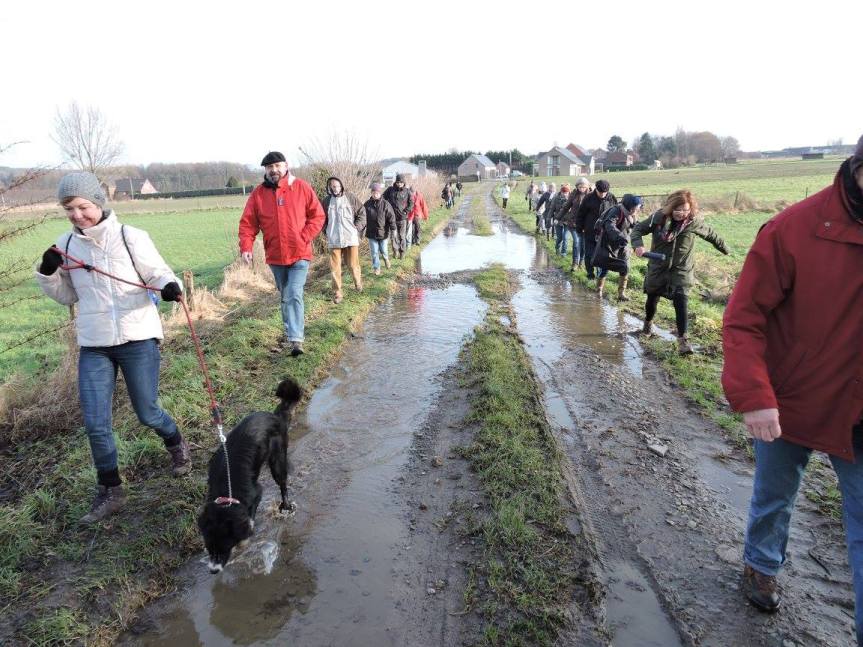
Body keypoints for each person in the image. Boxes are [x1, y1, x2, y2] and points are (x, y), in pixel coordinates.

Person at [722, 137, 863, 643]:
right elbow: (743, 319)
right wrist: (755, 396)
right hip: (790, 399)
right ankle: (761, 565)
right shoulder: (793, 228)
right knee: (775, 495)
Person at [35, 172, 188, 525]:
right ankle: (111, 490)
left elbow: (158, 272)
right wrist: (48, 273)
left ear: (98, 203)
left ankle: (175, 442)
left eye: (83, 207)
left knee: (148, 413)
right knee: (95, 422)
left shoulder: (130, 237)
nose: (76, 215)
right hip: (95, 344)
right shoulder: (65, 245)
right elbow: (67, 296)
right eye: (69, 209)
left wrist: (169, 286)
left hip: (138, 337)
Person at [239, 151, 325, 357]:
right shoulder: (258, 194)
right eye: (270, 167)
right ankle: (291, 330)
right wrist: (246, 247)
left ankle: (296, 340)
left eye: (277, 166)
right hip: (275, 256)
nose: (274, 170)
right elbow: (248, 224)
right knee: (285, 296)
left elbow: (318, 216)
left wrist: (304, 236)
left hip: (299, 252)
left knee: (294, 293)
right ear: (266, 170)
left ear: (286, 166)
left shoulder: (301, 187)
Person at [631, 189, 729, 354]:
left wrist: (725, 249)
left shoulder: (693, 223)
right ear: (670, 207)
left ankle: (683, 341)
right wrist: (638, 245)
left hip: (682, 270)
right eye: (678, 209)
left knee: (681, 300)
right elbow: (638, 230)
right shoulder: (658, 218)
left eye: (685, 210)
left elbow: (711, 234)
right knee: (652, 298)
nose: (681, 213)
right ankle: (647, 325)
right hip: (658, 267)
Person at [321, 177, 365, 304]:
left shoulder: (351, 197)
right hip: (334, 239)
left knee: (352, 265)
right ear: (330, 187)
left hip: (350, 237)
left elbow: (362, 213)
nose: (335, 188)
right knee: (335, 268)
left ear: (341, 186)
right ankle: (337, 292)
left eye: (337, 186)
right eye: (333, 186)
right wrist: (326, 230)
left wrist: (357, 228)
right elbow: (321, 217)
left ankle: (358, 283)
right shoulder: (326, 201)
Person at [591, 193, 642, 299]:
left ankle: (621, 294)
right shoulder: (616, 211)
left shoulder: (632, 213)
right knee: (604, 267)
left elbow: (634, 224)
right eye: (637, 206)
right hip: (609, 243)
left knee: (625, 267)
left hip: (623, 243)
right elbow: (609, 225)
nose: (638, 208)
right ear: (631, 206)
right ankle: (599, 290)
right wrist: (620, 237)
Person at [576, 179, 618, 283]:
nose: (602, 195)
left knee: (602, 255)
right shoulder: (588, 198)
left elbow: (616, 214)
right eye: (600, 192)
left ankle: (600, 276)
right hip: (590, 231)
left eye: (605, 193)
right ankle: (590, 274)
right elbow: (580, 214)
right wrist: (579, 228)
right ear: (596, 189)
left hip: (605, 233)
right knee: (589, 254)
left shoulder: (612, 198)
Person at [364, 182, 397, 276]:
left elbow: (391, 217)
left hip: (383, 233)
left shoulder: (386, 204)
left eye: (377, 193)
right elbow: (362, 217)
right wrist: (360, 229)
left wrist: (393, 229)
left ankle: (386, 259)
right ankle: (377, 268)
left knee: (384, 250)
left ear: (380, 193)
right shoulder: (367, 204)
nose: (375, 195)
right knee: (374, 252)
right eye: (373, 193)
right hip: (371, 233)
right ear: (371, 193)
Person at [557, 176, 590, 271]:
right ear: (577, 187)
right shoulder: (573, 194)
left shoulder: (591, 195)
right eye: (580, 187)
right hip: (574, 223)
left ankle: (581, 263)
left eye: (584, 187)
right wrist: (558, 217)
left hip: (585, 224)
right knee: (576, 242)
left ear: (587, 187)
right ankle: (575, 263)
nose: (582, 189)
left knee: (583, 245)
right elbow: (566, 207)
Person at [383, 174, 414, 259]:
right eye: (398, 182)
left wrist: (406, 211)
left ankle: (402, 252)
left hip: (402, 218)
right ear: (395, 182)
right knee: (393, 236)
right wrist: (387, 209)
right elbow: (383, 199)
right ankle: (395, 251)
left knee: (402, 236)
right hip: (392, 217)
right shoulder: (390, 190)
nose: (399, 184)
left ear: (404, 183)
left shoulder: (407, 191)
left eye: (401, 182)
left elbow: (411, 203)